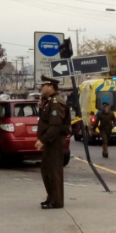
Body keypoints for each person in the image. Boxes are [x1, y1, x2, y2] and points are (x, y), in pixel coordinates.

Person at [35, 75, 71, 209]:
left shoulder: (56, 102)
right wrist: (40, 108)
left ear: (50, 87)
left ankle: (56, 201)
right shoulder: (49, 101)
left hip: (54, 141)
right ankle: (51, 197)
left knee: (54, 170)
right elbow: (46, 120)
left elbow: (55, 125)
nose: (41, 88)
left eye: (43, 85)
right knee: (47, 170)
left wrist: (43, 140)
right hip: (51, 141)